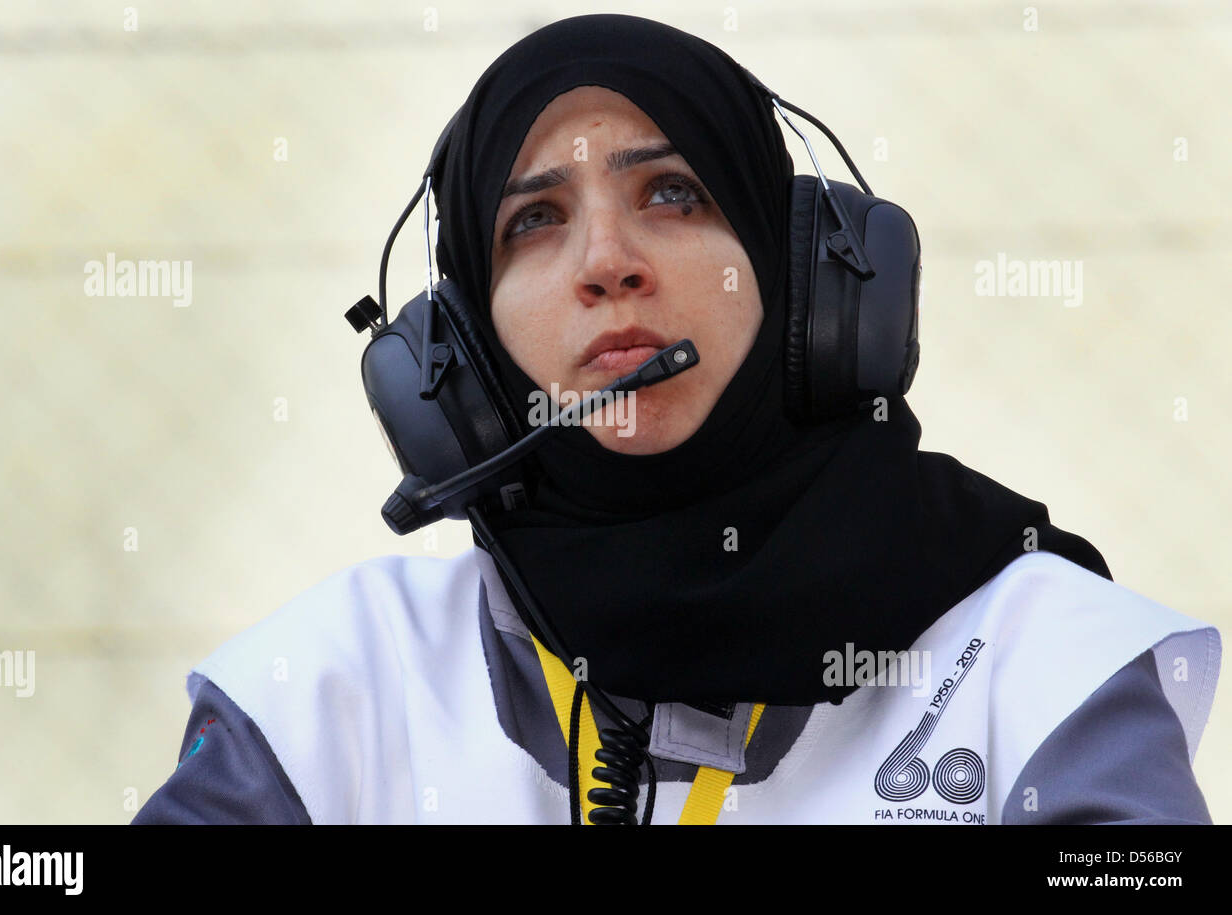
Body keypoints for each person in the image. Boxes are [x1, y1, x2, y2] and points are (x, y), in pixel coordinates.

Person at [132, 14, 1220, 825]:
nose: (607, 262)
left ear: (807, 281)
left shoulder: (1041, 658)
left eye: (672, 196)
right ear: (455, 357)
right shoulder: (334, 684)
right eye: (534, 221)